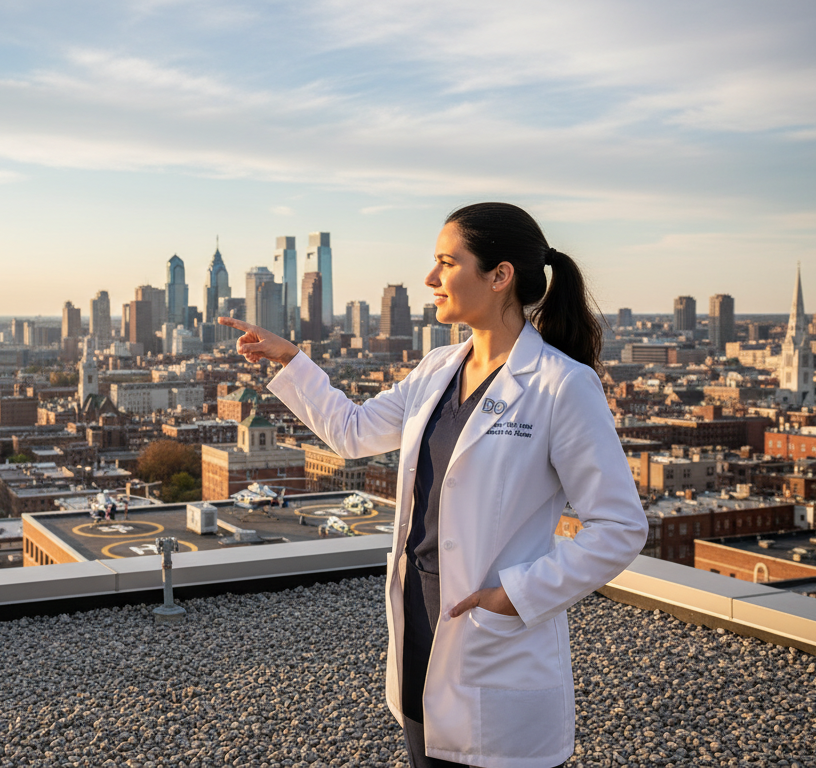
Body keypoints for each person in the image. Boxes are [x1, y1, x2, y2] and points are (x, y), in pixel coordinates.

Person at [218, 203, 647, 768]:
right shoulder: (438, 367)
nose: (430, 279)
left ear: (500, 276)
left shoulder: (562, 386)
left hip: (493, 632)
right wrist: (293, 361)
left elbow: (619, 527)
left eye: (447, 263)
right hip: (420, 626)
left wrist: (514, 597)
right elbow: (352, 432)